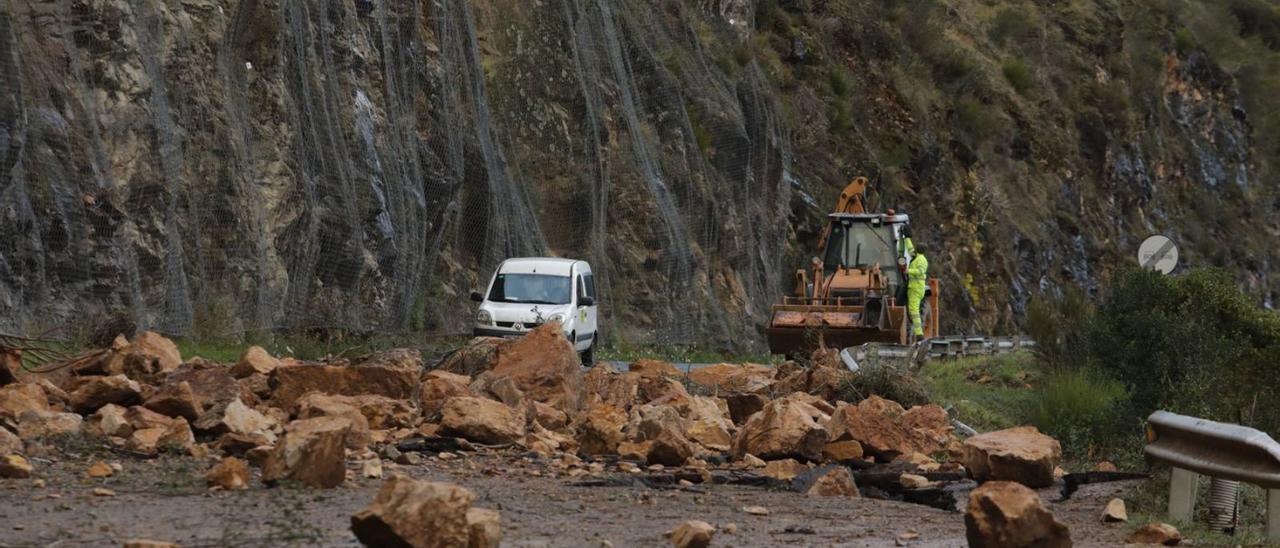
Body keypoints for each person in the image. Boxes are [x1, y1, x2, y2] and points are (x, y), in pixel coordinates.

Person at [907, 242, 929, 340]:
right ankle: (918, 333)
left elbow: (920, 272)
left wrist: (908, 271)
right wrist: (907, 237)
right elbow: (910, 249)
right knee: (913, 310)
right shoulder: (917, 257)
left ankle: (919, 334)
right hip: (915, 287)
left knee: (914, 311)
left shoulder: (921, 260)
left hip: (916, 288)